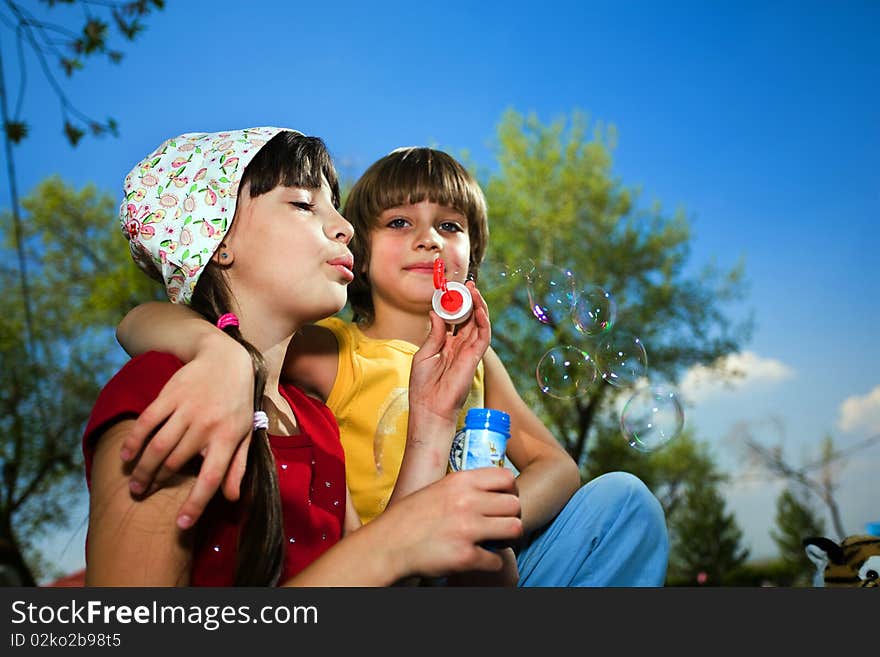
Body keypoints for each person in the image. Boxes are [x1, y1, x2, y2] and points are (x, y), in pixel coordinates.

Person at [115, 146, 669, 586]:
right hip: (385, 564)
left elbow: (559, 467)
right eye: (399, 223)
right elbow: (166, 320)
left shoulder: (475, 358)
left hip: (467, 558)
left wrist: (484, 519)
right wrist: (220, 355)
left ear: (471, 257)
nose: (428, 239)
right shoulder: (331, 347)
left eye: (450, 227)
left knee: (622, 502)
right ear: (360, 259)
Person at [84, 127, 522, 586]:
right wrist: (391, 544)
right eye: (303, 204)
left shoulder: (315, 422)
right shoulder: (169, 393)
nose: (346, 228)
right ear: (219, 241)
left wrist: (432, 421)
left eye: (334, 205)